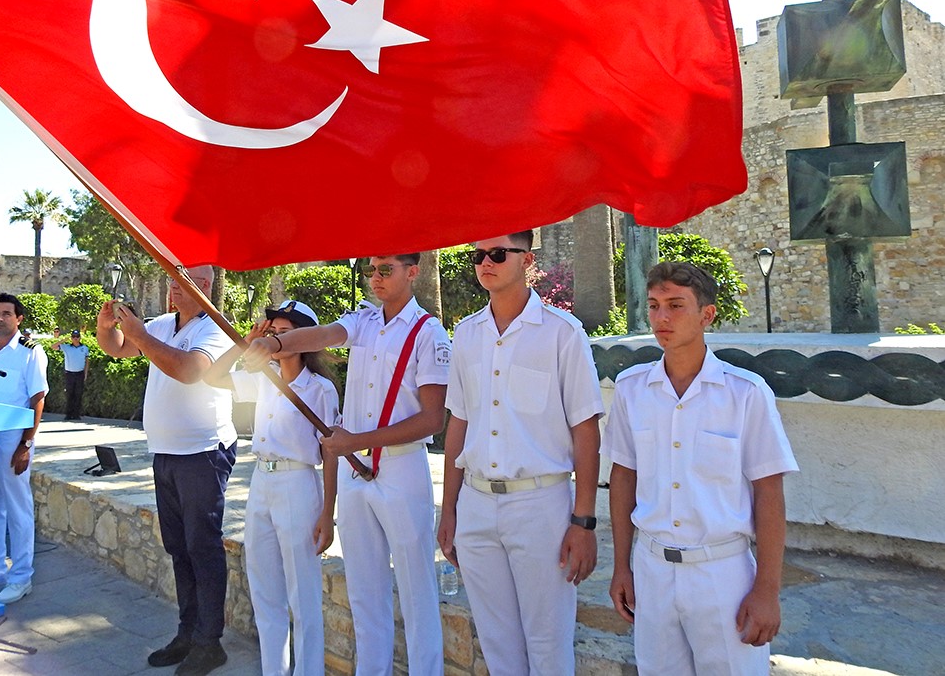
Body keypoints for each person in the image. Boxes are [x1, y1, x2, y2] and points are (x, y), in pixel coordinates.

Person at [244, 253, 450, 676]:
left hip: (403, 470)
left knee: (416, 594)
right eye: (371, 270)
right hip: (358, 474)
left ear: (413, 271)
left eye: (386, 270)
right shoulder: (363, 321)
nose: (375, 278)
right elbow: (320, 336)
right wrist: (275, 344)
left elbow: (433, 419)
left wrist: (356, 441)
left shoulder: (429, 332)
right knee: (363, 593)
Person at [604, 262, 799, 676]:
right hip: (653, 570)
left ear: (706, 314)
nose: (662, 318)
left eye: (676, 305)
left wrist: (767, 590)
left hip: (722, 574)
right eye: (654, 306)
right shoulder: (632, 389)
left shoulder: (745, 393)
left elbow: (769, 492)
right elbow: (623, 478)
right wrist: (623, 565)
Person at [437, 231, 604, 674]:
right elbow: (459, 423)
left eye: (496, 253)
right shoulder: (466, 334)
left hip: (540, 506)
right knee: (496, 645)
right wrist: (449, 510)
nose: (484, 262)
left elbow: (586, 429)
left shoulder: (562, 333)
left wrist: (583, 521)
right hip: (475, 505)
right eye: (477, 255)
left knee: (548, 646)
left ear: (526, 259)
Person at [97, 265, 234, 676]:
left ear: (205, 286)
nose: (171, 287)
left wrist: (139, 334)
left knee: (203, 548)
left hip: (202, 453)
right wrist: (108, 328)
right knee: (179, 549)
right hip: (167, 454)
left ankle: (211, 643)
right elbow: (119, 348)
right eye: (171, 279)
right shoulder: (161, 324)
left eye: (181, 281)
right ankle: (188, 633)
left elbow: (191, 371)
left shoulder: (217, 328)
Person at [203, 299, 339, 676]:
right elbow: (212, 377)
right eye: (273, 332)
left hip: (298, 484)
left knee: (303, 594)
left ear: (304, 340)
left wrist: (328, 514)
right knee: (265, 593)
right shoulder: (261, 377)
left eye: (284, 333)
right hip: (261, 481)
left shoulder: (320, 389)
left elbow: (331, 454)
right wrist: (247, 341)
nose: (276, 339)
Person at [0, 293, 48, 605]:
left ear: (19, 319)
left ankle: (21, 577)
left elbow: (38, 398)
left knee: (18, 510)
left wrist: (26, 444)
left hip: (14, 440)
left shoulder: (30, 353)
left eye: (6, 313)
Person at [56, 330, 89, 420]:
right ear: (71, 338)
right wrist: (64, 340)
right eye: (73, 337)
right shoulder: (66, 347)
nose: (75, 338)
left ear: (80, 337)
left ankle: (76, 414)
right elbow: (53, 346)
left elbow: (86, 362)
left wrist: (85, 374)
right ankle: (68, 414)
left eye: (77, 336)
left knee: (78, 394)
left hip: (79, 374)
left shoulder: (85, 348)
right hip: (69, 374)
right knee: (69, 394)